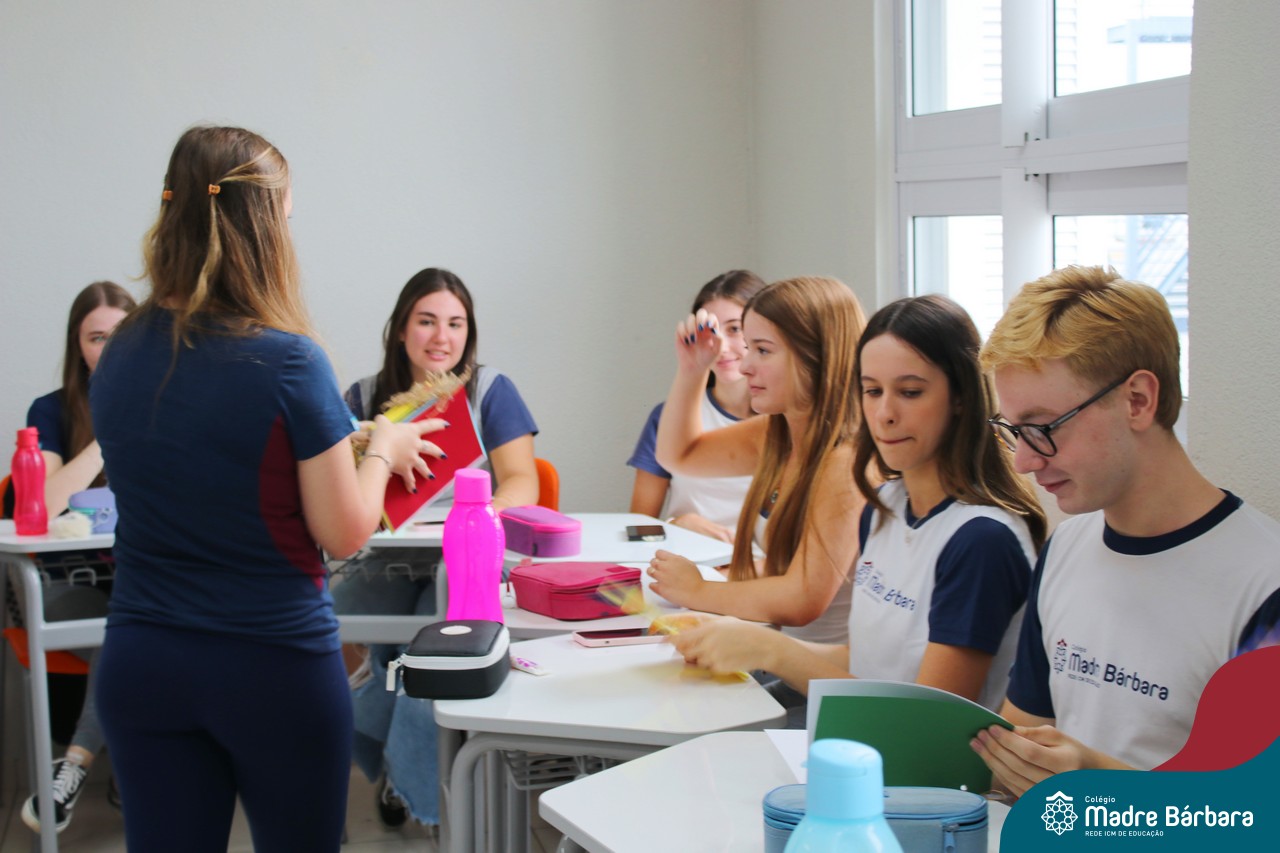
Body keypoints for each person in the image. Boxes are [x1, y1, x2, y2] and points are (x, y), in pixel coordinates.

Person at [89, 125, 441, 852]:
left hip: (143, 660)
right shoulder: (287, 360)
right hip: (270, 667)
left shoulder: (121, 350)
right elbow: (344, 530)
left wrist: (348, 440)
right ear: (262, 228)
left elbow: (201, 455)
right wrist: (384, 448)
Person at [970, 265, 1280, 795]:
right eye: (1013, 430)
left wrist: (1099, 784)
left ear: (1137, 400)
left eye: (1041, 428)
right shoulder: (1065, 548)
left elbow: (1253, 813)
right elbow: (1020, 741)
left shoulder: (1263, 585)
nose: (1023, 461)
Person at [669, 295, 1045, 712]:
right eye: (872, 391)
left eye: (910, 392)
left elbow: (930, 719)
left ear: (961, 397)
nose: (884, 413)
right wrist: (737, 638)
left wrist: (772, 650)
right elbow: (866, 662)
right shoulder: (885, 504)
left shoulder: (981, 540)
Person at [331, 266, 539, 829]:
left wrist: (480, 517)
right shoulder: (364, 396)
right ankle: (398, 753)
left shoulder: (490, 390)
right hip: (387, 558)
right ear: (401, 329)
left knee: (430, 643)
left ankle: (418, 794)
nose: (442, 337)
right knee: (328, 616)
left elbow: (523, 480)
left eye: (456, 324)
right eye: (426, 321)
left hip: (464, 558)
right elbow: (344, 492)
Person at [648, 276, 867, 654]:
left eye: (762, 350)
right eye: (749, 348)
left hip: (814, 672)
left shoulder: (844, 463)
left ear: (816, 358)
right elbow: (678, 455)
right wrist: (693, 369)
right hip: (773, 648)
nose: (745, 365)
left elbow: (802, 599)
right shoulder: (777, 432)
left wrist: (697, 590)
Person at [19, 281, 135, 835]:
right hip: (66, 587)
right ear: (78, 346)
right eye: (96, 338)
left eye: (121, 337)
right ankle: (110, 768)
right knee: (128, 631)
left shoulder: (168, 406)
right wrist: (109, 428)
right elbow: (42, 505)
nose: (109, 350)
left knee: (138, 625)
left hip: (143, 584)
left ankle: (75, 769)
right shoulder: (51, 410)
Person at [627, 270, 766, 543]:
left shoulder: (788, 421)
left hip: (761, 566)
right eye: (710, 331)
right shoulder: (669, 418)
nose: (720, 346)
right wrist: (677, 525)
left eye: (735, 329)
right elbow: (639, 527)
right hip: (686, 559)